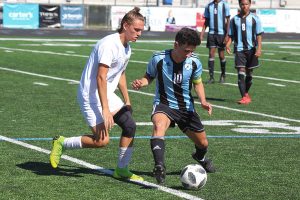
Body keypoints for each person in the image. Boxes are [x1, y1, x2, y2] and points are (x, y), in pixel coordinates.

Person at [49, 7, 145, 181]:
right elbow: (101, 77)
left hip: (106, 94)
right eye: (136, 30)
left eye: (141, 31)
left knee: (130, 126)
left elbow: (120, 73)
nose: (139, 33)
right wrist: (106, 110)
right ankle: (62, 142)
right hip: (90, 95)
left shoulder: (127, 48)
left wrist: (127, 100)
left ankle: (122, 170)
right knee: (102, 141)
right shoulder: (109, 44)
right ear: (125, 25)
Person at [132, 28, 216, 184]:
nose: (188, 54)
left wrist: (203, 101)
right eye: (186, 50)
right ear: (176, 44)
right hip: (164, 104)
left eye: (191, 51)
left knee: (203, 143)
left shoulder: (194, 61)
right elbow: (148, 76)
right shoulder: (158, 58)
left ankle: (200, 157)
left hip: (186, 109)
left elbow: (198, 82)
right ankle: (159, 166)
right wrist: (141, 82)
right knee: (158, 126)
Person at [225, 0, 263, 104]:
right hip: (239, 50)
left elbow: (259, 35)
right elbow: (231, 35)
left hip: (251, 50)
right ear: (239, 5)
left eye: (246, 4)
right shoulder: (234, 20)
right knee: (240, 72)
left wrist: (259, 49)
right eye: (242, 4)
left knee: (249, 74)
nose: (244, 6)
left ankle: (246, 93)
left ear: (250, 5)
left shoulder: (255, 19)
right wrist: (228, 44)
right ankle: (244, 97)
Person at [200, 0, 230, 84]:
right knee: (211, 54)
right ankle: (211, 77)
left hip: (221, 34)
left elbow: (228, 20)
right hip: (211, 34)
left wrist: (227, 34)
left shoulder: (225, 5)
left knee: (221, 55)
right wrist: (202, 33)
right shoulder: (208, 6)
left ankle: (223, 75)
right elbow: (206, 21)